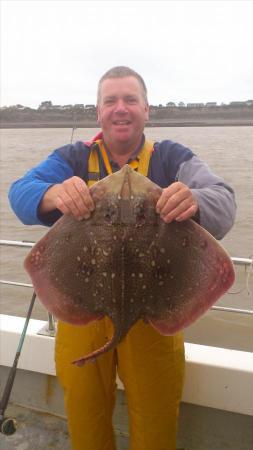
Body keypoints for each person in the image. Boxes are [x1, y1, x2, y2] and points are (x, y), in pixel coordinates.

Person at [9, 66, 236, 450]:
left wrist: (196, 200)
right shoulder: (72, 158)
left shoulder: (172, 158)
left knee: (155, 421)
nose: (120, 108)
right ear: (98, 112)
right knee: (85, 417)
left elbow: (224, 199)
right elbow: (21, 192)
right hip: (83, 311)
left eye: (130, 99)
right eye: (110, 101)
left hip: (154, 314)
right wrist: (54, 195)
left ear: (147, 110)